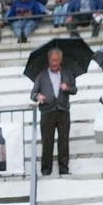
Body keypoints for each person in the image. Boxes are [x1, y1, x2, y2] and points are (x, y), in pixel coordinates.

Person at [31, 48, 75, 176]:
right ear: (48, 60)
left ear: (60, 60)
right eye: (52, 60)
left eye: (56, 60)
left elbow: (74, 89)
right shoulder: (42, 75)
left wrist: (67, 88)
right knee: (47, 141)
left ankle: (64, 168)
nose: (54, 63)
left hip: (63, 110)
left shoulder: (67, 73)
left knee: (63, 140)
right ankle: (46, 169)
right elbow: (33, 94)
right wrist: (38, 96)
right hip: (47, 111)